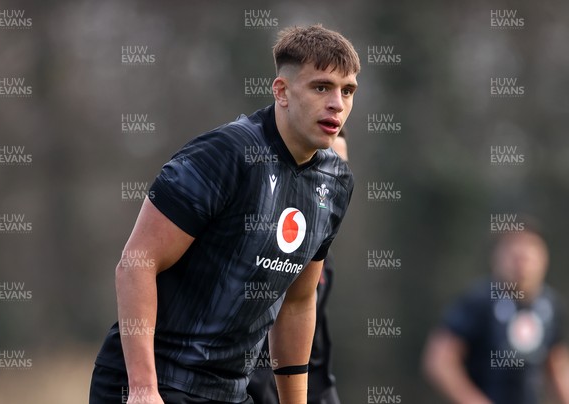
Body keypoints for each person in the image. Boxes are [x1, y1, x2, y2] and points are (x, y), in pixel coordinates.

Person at [89, 24, 360, 404]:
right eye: (321, 87)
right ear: (281, 91)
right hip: (157, 381)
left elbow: (298, 302)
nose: (337, 104)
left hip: (231, 391)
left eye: (347, 91)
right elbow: (136, 263)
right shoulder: (224, 154)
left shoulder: (336, 182)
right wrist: (143, 390)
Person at [246, 130, 348, 404]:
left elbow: (314, 352)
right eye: (323, 163)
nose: (329, 175)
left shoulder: (323, 261)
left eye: (339, 165)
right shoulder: (264, 248)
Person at [423, 226, 569, 404]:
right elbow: (440, 361)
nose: (522, 264)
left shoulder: (550, 306)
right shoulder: (478, 301)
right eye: (515, 256)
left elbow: (557, 368)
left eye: (528, 256)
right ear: (497, 258)